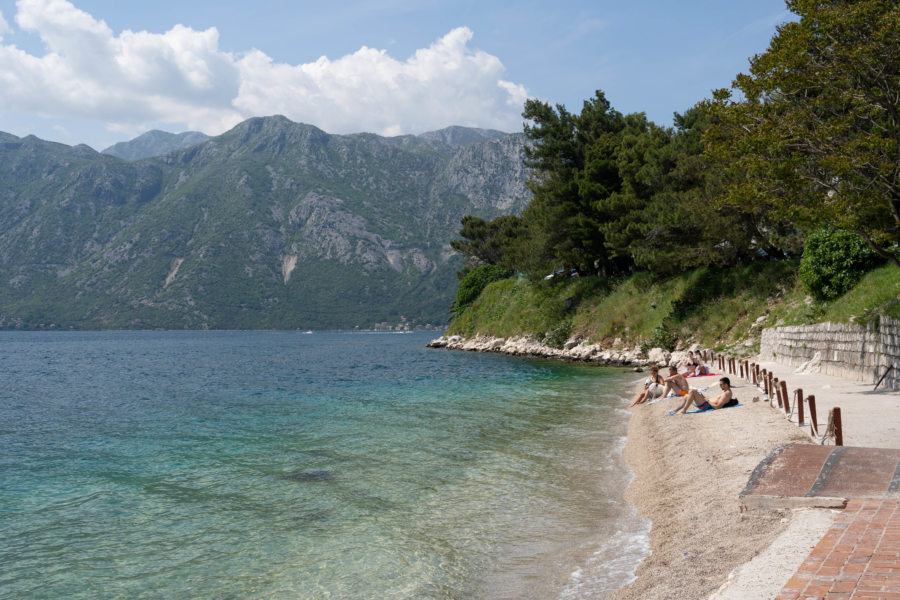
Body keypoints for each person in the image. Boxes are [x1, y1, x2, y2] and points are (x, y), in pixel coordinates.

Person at [670, 377, 738, 414]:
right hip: (706, 403)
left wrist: (707, 400)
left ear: (726, 385)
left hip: (706, 405)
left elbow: (717, 407)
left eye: (721, 385)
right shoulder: (726, 392)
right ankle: (675, 410)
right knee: (686, 395)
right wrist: (705, 398)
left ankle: (684, 410)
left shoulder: (726, 394)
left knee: (693, 391)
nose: (720, 386)